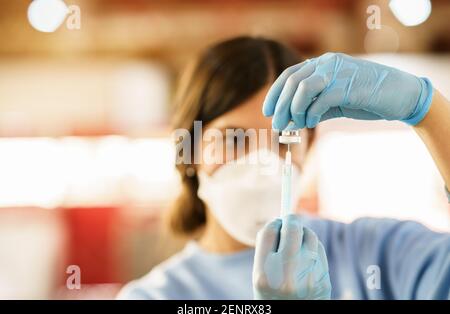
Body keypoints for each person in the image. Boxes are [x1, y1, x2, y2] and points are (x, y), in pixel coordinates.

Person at [117, 37, 450, 300]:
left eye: (285, 138)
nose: (263, 162)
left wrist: (428, 110)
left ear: (310, 149)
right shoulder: (155, 296)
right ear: (189, 152)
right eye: (234, 140)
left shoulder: (376, 254)